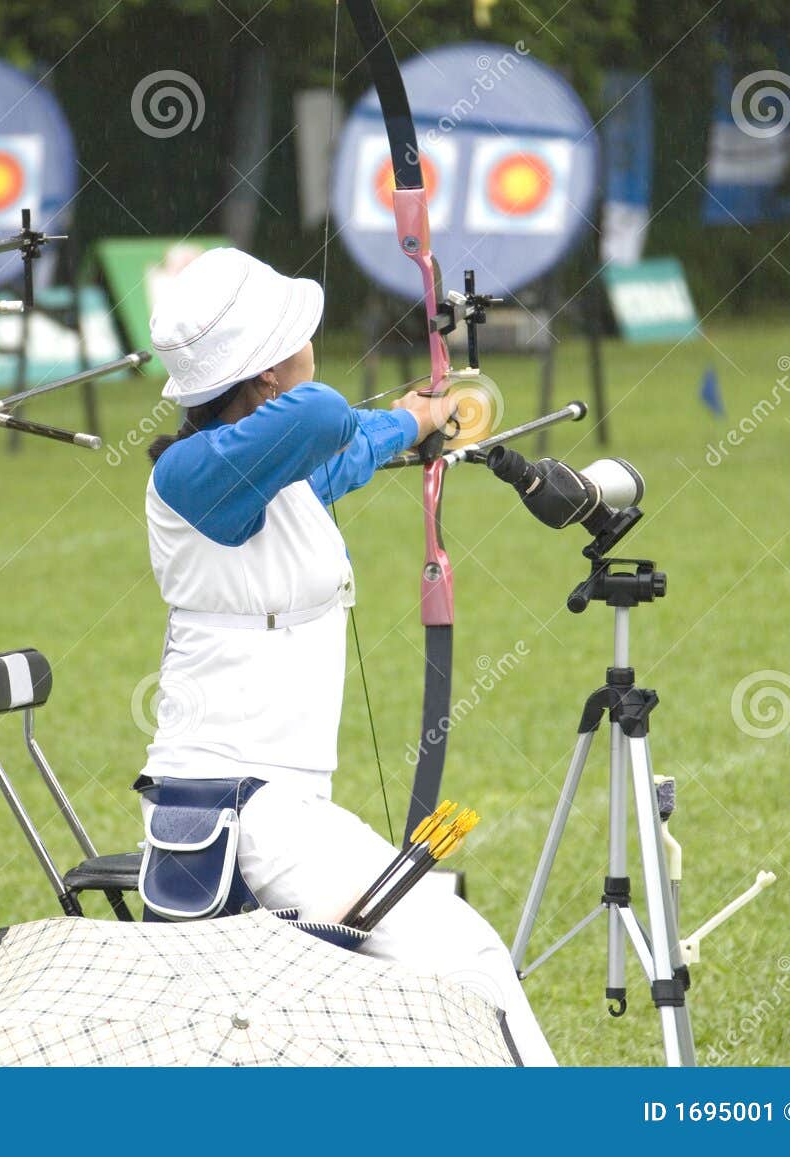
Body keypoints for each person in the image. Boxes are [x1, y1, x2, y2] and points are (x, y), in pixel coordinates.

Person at [139, 247, 556, 1065]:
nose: (313, 346)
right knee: (466, 961)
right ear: (262, 375)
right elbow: (326, 416)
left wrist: (417, 418)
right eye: (294, 339)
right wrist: (368, 413)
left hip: (275, 805)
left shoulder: (260, 475)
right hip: (233, 810)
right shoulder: (193, 475)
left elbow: (344, 448)